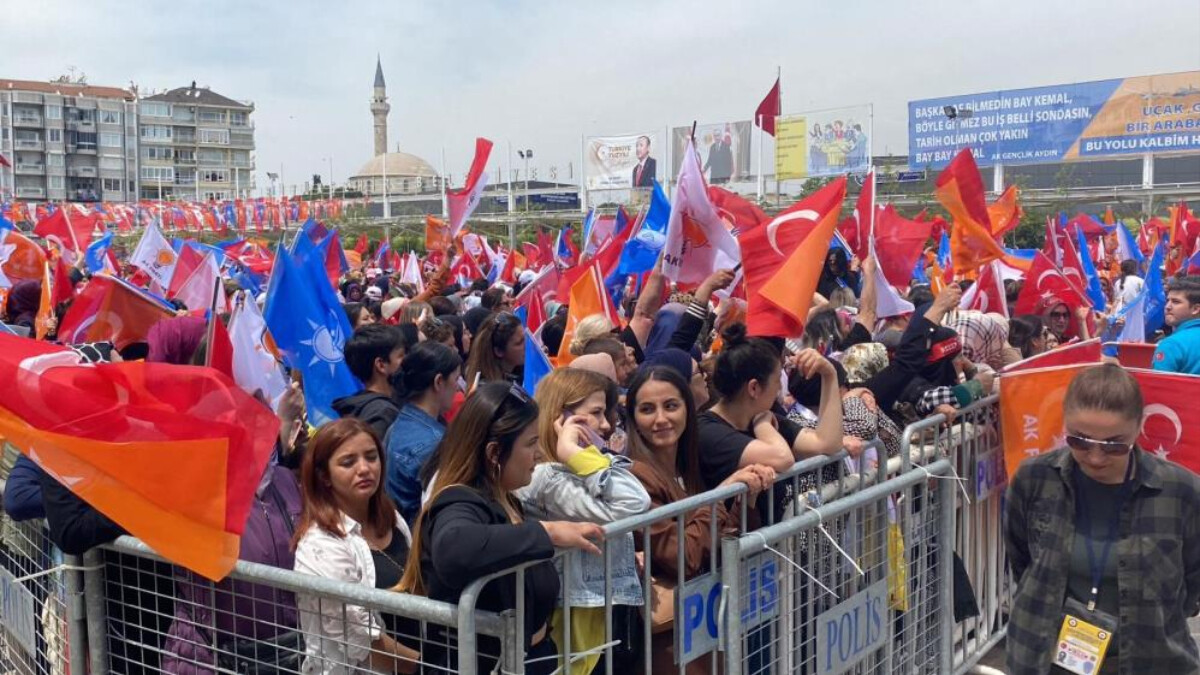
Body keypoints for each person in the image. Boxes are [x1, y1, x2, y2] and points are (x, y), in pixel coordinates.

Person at [1003, 364, 1200, 675]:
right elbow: (1023, 561)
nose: (1095, 457)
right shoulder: (1034, 479)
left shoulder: (1182, 492)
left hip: (1153, 662)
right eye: (1079, 440)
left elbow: (1192, 584)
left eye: (1114, 445)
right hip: (1043, 661)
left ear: (1138, 428)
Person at [398, 383, 603, 675]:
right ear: (494, 453)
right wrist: (547, 532)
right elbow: (455, 549)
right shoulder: (458, 501)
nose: (540, 454)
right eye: (531, 443)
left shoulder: (507, 499)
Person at [624, 366, 775, 674]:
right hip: (672, 647)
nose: (661, 419)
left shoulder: (688, 464)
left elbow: (716, 540)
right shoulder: (635, 477)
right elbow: (684, 556)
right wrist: (719, 496)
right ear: (634, 420)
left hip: (708, 630)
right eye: (647, 409)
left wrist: (745, 500)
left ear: (687, 410)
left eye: (671, 405)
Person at [515, 368, 650, 675]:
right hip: (570, 609)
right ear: (560, 418)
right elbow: (635, 502)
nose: (605, 424)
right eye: (596, 413)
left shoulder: (576, 469)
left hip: (595, 603)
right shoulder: (547, 477)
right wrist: (573, 451)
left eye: (607, 413)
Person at [292, 418, 418, 674]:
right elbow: (362, 642)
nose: (364, 468)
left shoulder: (393, 519)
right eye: (348, 462)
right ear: (324, 476)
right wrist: (429, 666)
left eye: (371, 457)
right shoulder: (320, 546)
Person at [697, 324, 847, 523]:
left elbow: (827, 443)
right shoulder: (709, 430)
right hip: (732, 548)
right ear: (754, 388)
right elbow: (782, 458)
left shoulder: (761, 415)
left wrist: (829, 375)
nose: (779, 389)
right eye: (777, 380)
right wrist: (764, 427)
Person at [384, 341, 461, 524]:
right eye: (456, 379)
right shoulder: (434, 444)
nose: (458, 387)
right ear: (439, 382)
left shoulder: (397, 423)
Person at [333, 324, 407, 440]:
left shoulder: (360, 406)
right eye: (401, 356)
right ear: (381, 365)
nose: (406, 361)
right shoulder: (382, 413)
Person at [1152, 276, 1200, 375]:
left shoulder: (1171, 344)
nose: (1167, 307)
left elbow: (1158, 386)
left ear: (1195, 309)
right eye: (1167, 300)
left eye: (1176, 302)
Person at [463, 311, 525, 385]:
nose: (526, 345)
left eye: (525, 338)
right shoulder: (488, 392)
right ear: (499, 351)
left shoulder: (520, 372)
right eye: (519, 343)